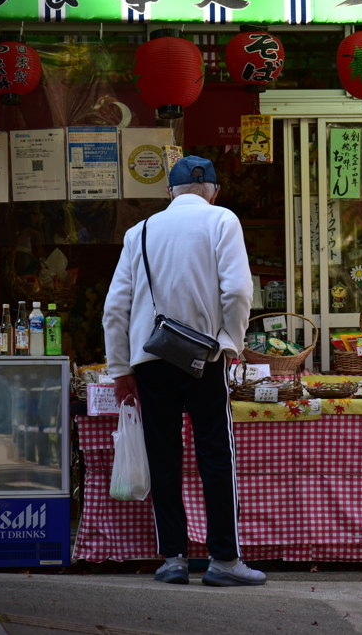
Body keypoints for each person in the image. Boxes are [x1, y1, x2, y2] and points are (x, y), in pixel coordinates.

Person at [103, 155, 264, 587]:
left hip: (151, 361)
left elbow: (115, 308)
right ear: (214, 190)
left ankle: (173, 559)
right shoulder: (222, 221)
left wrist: (121, 369)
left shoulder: (140, 232)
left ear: (169, 192)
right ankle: (224, 561)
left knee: (164, 456)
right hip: (204, 360)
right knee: (215, 456)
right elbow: (237, 291)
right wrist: (230, 342)